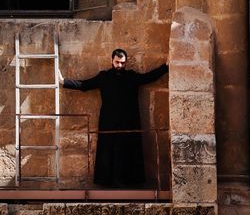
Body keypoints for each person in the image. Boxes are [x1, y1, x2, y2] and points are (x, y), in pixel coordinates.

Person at [59, 48, 168, 188]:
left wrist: (166, 67)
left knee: (128, 151)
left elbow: (149, 77)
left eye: (122, 63)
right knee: (108, 152)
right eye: (117, 62)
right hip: (108, 122)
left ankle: (128, 184)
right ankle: (108, 184)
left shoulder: (131, 77)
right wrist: (64, 81)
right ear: (112, 61)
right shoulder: (104, 77)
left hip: (129, 122)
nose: (120, 66)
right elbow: (85, 85)